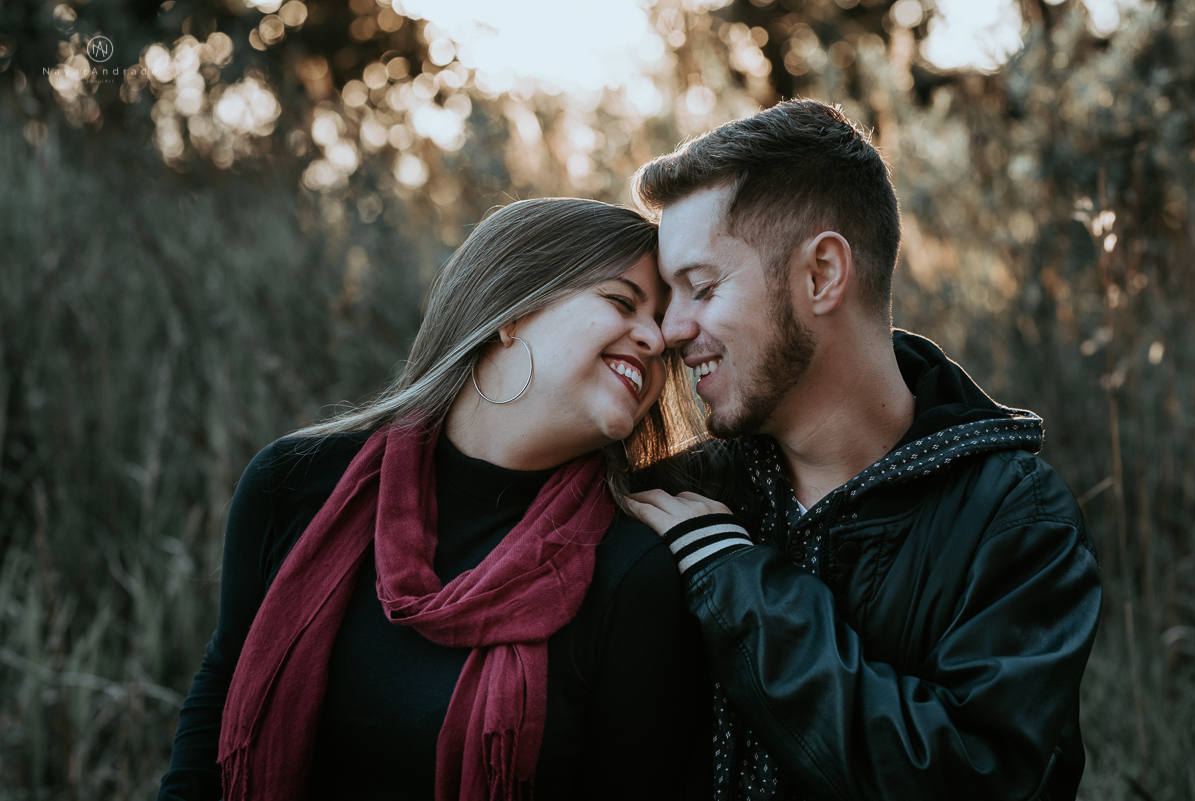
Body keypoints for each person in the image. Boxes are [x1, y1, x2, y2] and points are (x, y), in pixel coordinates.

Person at [626, 100, 1103, 801]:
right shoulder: (680, 497)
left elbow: (972, 780)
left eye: (700, 288)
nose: (669, 328)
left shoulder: (1017, 522)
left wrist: (733, 579)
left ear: (822, 274)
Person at [158, 198, 708, 801]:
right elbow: (221, 695)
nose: (658, 339)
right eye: (622, 302)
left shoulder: (632, 575)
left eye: (662, 325)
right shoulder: (296, 486)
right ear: (512, 311)